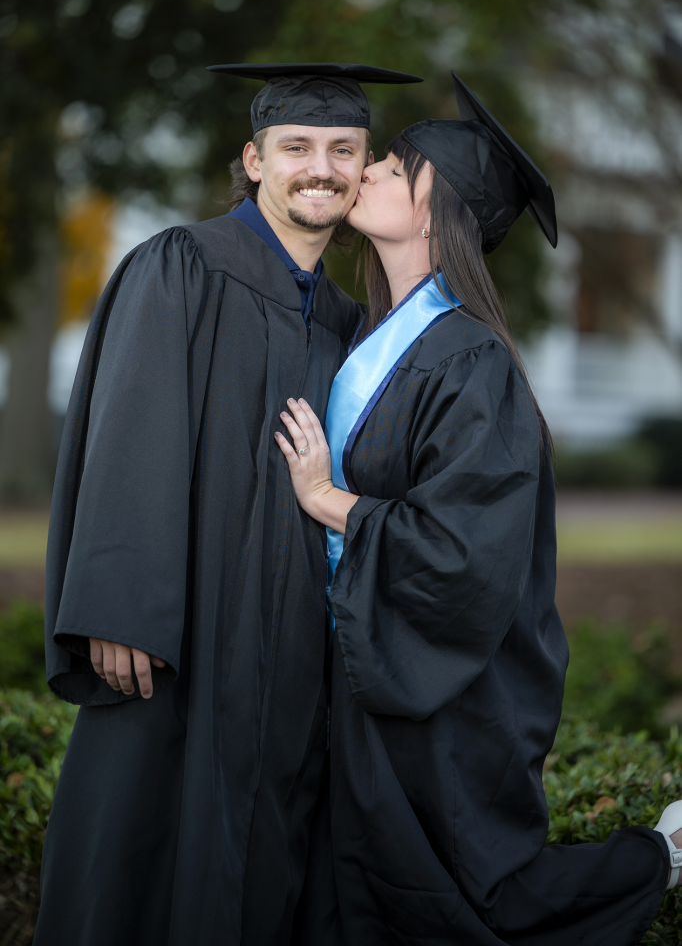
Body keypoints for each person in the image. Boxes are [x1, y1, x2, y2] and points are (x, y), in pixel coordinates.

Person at [275, 70, 682, 946]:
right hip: (362, 659)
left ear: (433, 209)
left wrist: (325, 499)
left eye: (389, 165)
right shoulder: (371, 340)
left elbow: (462, 549)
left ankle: (664, 854)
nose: (365, 171)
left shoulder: (469, 362)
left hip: (443, 685)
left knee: (466, 906)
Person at [35, 61, 422, 946]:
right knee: (144, 848)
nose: (319, 168)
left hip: (289, 650)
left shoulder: (346, 321)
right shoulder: (182, 267)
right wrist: (121, 608)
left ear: (364, 168)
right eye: (297, 147)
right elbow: (128, 435)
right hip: (177, 639)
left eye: (343, 150)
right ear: (254, 160)